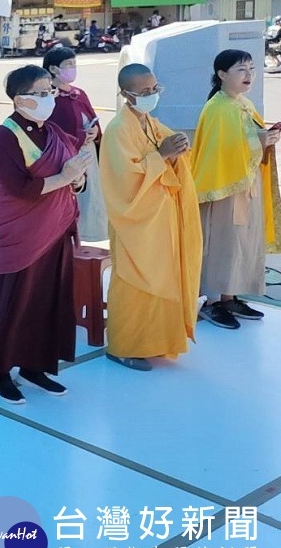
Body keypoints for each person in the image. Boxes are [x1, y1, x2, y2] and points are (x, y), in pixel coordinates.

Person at [0, 66, 91, 404]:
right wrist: (66, 176)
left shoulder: (55, 131)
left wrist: (77, 180)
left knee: (49, 299)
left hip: (55, 227)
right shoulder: (2, 137)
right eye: (41, 93)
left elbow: (74, 174)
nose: (50, 98)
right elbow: (21, 189)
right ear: (20, 100)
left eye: (51, 91)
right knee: (15, 301)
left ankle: (35, 366)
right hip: (21, 231)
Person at [99, 64, 201, 370]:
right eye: (144, 92)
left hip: (159, 218)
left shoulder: (151, 124)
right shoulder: (119, 130)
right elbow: (124, 180)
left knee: (162, 278)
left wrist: (178, 149)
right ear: (126, 95)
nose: (152, 95)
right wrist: (163, 155)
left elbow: (172, 155)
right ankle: (123, 346)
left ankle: (155, 342)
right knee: (135, 282)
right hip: (136, 222)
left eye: (155, 89)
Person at [190, 49, 280, 328]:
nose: (249, 75)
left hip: (244, 185)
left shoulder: (241, 103)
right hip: (223, 188)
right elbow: (221, 151)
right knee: (221, 244)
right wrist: (260, 140)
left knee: (240, 243)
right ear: (222, 74)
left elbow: (246, 141)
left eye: (252, 69)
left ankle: (230, 296)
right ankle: (212, 301)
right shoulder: (218, 108)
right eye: (241, 69)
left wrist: (266, 138)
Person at [43, 46, 107, 242]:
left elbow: (92, 118)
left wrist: (95, 132)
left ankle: (87, 236)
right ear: (53, 69)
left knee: (91, 198)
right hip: (66, 159)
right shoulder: (49, 97)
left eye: (74, 63)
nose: (73, 68)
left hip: (87, 154)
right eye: (68, 64)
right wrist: (79, 136)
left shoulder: (79, 93)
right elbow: (51, 129)